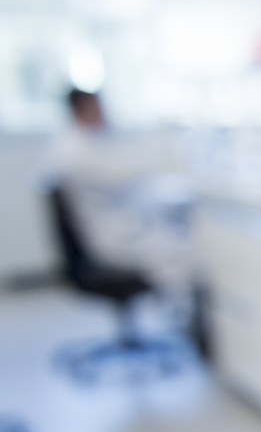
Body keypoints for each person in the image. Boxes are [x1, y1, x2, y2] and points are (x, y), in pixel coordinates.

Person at [40, 89, 196, 297]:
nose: (105, 114)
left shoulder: (72, 142)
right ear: (84, 108)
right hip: (113, 240)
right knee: (191, 254)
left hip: (110, 230)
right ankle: (193, 322)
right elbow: (125, 172)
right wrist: (159, 138)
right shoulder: (77, 151)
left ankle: (186, 315)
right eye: (100, 107)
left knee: (179, 242)